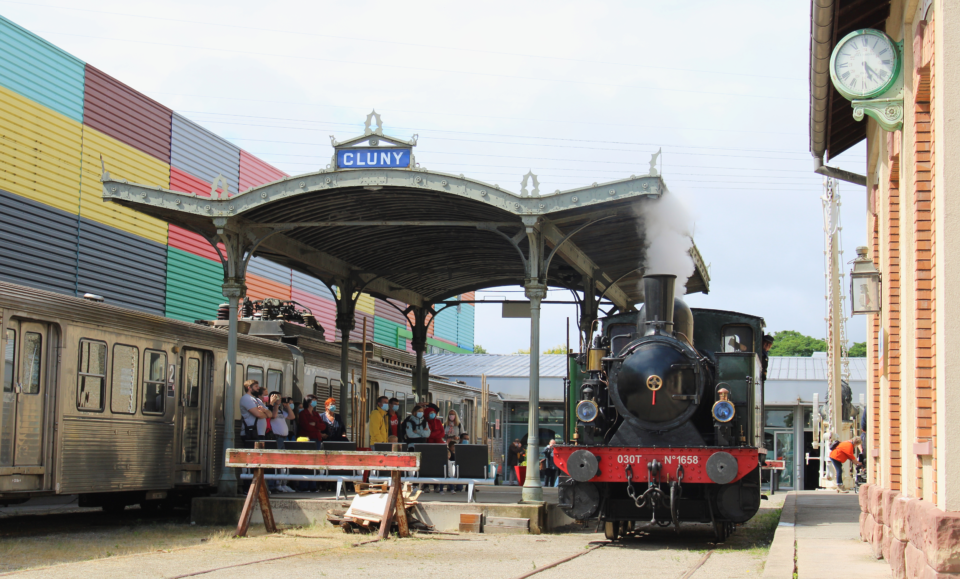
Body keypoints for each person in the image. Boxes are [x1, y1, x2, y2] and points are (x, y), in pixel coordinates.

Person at [268, 391, 295, 493]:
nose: (279, 399)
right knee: (276, 461)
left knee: (284, 461)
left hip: (284, 437)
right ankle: (275, 484)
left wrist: (287, 405)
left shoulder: (280, 410)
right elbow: (273, 416)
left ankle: (283, 483)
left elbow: (292, 417)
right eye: (276, 397)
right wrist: (275, 404)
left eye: (279, 397)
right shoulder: (270, 408)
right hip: (276, 437)